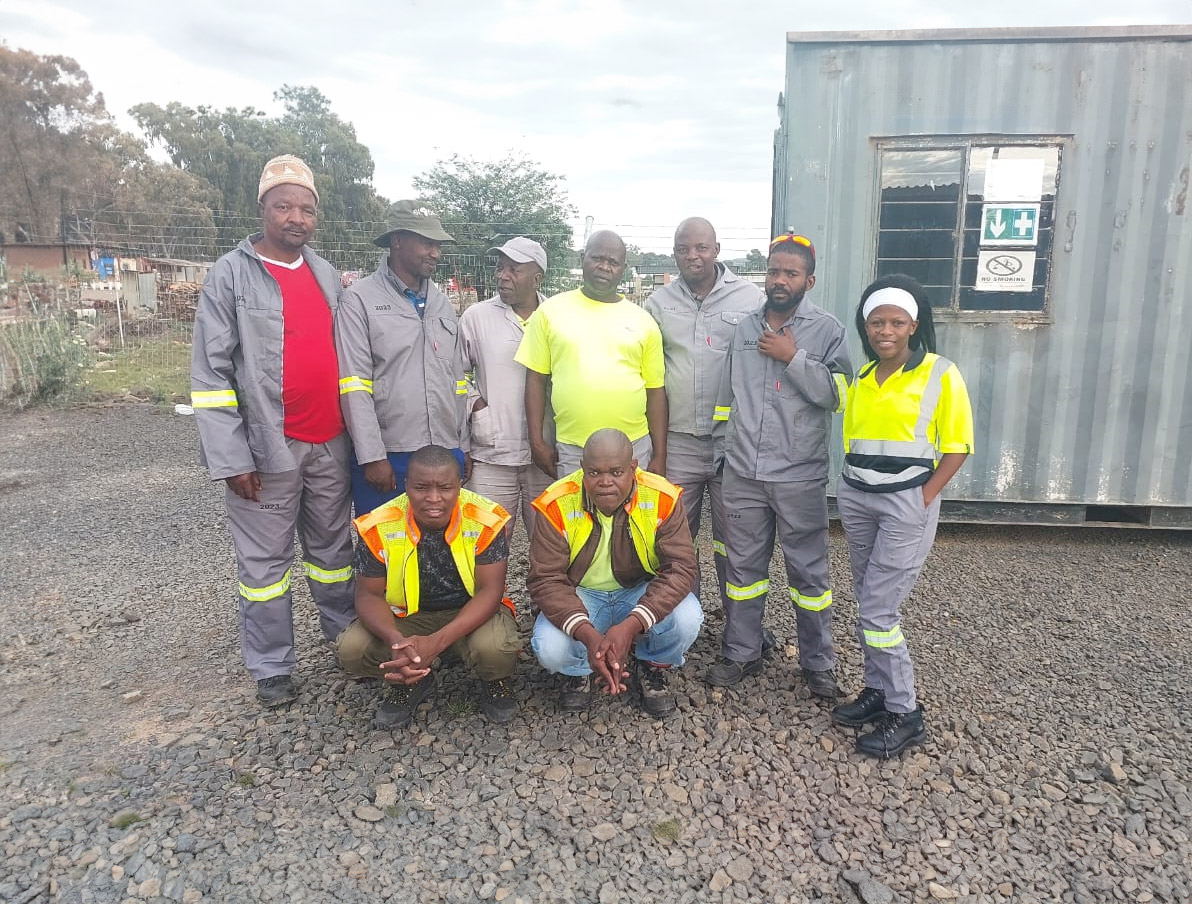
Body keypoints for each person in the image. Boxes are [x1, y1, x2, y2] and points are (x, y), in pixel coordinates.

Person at [191, 154, 355, 708]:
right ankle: (271, 666)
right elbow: (211, 376)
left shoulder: (325, 274)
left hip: (330, 444)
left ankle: (348, 643)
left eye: (306, 209)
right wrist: (231, 457)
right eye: (283, 206)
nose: (296, 218)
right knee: (264, 568)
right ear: (262, 208)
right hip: (266, 452)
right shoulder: (229, 275)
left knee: (333, 556)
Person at [831, 274, 973, 758]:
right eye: (876, 322)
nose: (884, 330)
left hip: (903, 505)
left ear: (913, 325)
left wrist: (924, 497)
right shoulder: (863, 380)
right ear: (866, 327)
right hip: (858, 499)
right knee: (867, 597)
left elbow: (957, 446)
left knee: (878, 610)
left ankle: (904, 711)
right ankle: (877, 690)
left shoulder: (940, 373)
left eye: (896, 321)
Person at [708, 234, 852, 698]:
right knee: (742, 570)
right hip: (743, 474)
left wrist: (795, 359)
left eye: (791, 273)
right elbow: (726, 397)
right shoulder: (745, 327)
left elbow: (839, 396)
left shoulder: (828, 331)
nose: (780, 280)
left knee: (809, 576)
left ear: (808, 280)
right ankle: (742, 652)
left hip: (798, 475)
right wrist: (721, 453)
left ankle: (818, 663)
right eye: (773, 271)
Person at [337, 445, 522, 727]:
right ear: (406, 485)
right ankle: (411, 681)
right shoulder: (379, 525)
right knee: (352, 649)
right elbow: (368, 595)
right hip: (407, 617)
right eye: (422, 487)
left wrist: (435, 644)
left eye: (445, 488)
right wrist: (396, 642)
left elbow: (490, 593)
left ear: (459, 486)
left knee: (495, 648)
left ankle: (493, 680)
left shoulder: (485, 519)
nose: (433, 499)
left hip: (470, 614)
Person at [528, 428, 704, 719]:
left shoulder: (662, 497)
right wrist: (588, 636)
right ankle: (579, 669)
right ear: (582, 469)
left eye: (617, 471)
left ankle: (652, 664)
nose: (605, 482)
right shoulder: (556, 503)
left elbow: (681, 568)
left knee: (688, 617)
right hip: (581, 595)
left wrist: (631, 626)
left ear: (633, 468)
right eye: (594, 473)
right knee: (550, 649)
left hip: (638, 591)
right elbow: (545, 579)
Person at [644, 217, 764, 626]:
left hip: (732, 442)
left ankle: (741, 626)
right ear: (674, 252)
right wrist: (657, 452)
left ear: (716, 249)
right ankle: (683, 621)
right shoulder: (657, 305)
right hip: (678, 441)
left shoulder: (750, 299)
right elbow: (650, 376)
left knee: (736, 541)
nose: (692, 256)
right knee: (676, 541)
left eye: (700, 248)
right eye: (683, 249)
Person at [336, 200, 467, 514]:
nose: (435, 252)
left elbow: (457, 381)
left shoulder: (441, 303)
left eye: (438, 245)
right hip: (389, 455)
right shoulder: (359, 300)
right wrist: (371, 456)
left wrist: (463, 448)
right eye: (426, 243)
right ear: (397, 241)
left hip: (444, 452)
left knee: (441, 553)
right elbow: (353, 384)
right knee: (384, 552)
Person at [515, 230, 667, 479]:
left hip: (633, 447)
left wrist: (659, 456)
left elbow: (656, 391)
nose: (604, 267)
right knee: (576, 517)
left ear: (623, 268)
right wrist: (537, 442)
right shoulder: (550, 312)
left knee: (631, 517)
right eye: (597, 258)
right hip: (573, 448)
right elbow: (535, 379)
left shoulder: (644, 321)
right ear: (583, 258)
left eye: (613, 262)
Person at [460, 237, 553, 538]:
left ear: (537, 277)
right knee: (485, 547)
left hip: (548, 455)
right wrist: (476, 405)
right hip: (492, 454)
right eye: (500, 268)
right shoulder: (477, 317)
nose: (503, 276)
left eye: (514, 269)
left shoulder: (558, 317)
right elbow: (454, 375)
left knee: (552, 546)